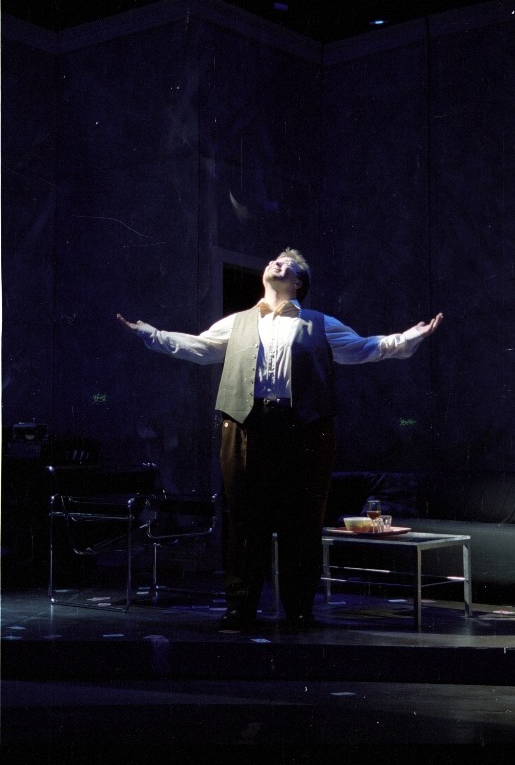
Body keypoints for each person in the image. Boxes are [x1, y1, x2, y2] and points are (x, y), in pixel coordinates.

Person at [117, 248, 443, 632]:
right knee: (244, 519)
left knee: (302, 520)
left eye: (287, 264)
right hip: (246, 424)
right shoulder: (238, 321)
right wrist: (152, 335)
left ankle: (299, 610)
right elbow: (200, 348)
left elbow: (364, 348)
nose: (276, 262)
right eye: (274, 260)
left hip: (303, 427)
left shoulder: (318, 323)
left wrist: (410, 336)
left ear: (298, 282)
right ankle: (240, 608)